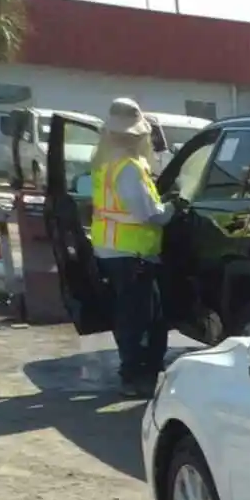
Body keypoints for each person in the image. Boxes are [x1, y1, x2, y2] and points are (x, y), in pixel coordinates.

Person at [90, 98, 177, 397]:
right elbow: (148, 213)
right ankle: (137, 375)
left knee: (130, 316)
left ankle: (134, 371)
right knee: (144, 320)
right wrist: (173, 209)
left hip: (111, 250)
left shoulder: (105, 164)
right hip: (132, 255)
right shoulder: (129, 168)